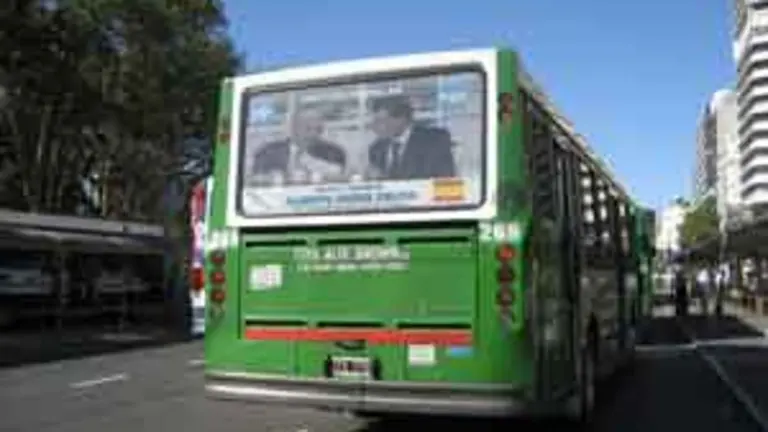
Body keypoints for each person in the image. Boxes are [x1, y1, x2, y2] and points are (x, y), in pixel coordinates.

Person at [367, 94, 457, 180]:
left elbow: (445, 180)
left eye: (380, 121)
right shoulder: (376, 149)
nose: (374, 126)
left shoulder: (435, 141)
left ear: (401, 119)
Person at [250, 108, 347, 184]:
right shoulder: (268, 152)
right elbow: (257, 179)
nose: (313, 134)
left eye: (318, 129)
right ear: (293, 129)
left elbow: (338, 177)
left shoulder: (334, 152)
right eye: (307, 129)